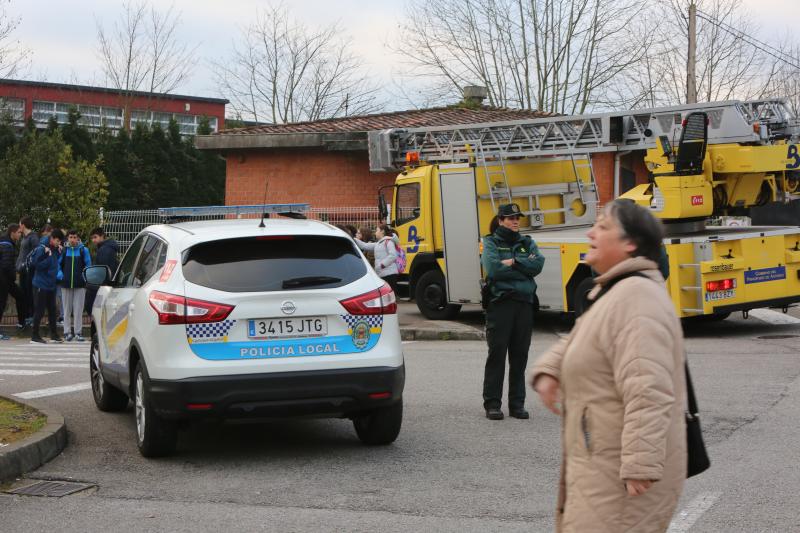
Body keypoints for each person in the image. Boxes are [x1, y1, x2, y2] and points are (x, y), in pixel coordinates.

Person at [530, 199, 686, 533]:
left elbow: (649, 386)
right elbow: (583, 338)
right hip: (600, 462)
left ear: (630, 243)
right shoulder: (617, 292)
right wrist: (550, 370)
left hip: (620, 476)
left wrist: (640, 463)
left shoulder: (637, 298)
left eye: (602, 226)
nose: (590, 232)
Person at [481, 203, 544, 420]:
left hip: (524, 304)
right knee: (497, 355)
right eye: (510, 218)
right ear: (500, 220)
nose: (515, 220)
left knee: (520, 356)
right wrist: (523, 269)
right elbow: (494, 269)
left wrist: (515, 262)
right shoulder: (490, 242)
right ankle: (492, 404)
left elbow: (538, 265)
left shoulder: (527, 242)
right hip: (501, 304)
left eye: (517, 217)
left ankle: (517, 405)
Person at [31, 228, 65, 344]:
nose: (58, 243)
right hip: (40, 284)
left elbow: (56, 263)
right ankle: (34, 335)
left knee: (52, 310)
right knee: (39, 310)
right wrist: (48, 257)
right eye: (57, 241)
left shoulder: (56, 249)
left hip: (51, 284)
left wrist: (59, 251)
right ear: (51, 238)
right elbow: (36, 265)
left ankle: (54, 335)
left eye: (60, 241)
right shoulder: (42, 249)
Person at [60, 229, 92, 342]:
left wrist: (85, 278)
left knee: (78, 310)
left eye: (75, 237)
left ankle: (78, 333)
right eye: (70, 237)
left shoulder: (84, 250)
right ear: (68, 238)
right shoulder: (64, 250)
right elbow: (58, 265)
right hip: (65, 284)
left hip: (80, 284)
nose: (73, 239)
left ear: (78, 238)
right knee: (66, 309)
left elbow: (88, 265)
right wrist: (60, 275)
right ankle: (67, 332)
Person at [354, 223, 401, 294]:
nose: (375, 233)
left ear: (382, 231)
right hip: (382, 273)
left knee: (390, 296)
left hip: (390, 275)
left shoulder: (388, 241)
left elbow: (393, 255)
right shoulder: (378, 244)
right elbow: (364, 245)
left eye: (377, 230)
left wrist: (382, 265)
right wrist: (353, 238)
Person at [85, 227, 119, 314]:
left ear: (102, 236)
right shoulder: (106, 248)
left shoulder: (105, 250)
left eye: (95, 237)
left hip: (102, 287)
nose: (93, 240)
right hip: (107, 285)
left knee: (97, 314)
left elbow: (102, 271)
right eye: (92, 238)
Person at [0, 224, 25, 339]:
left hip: (6, 279)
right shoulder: (7, 245)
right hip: (4, 279)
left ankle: (21, 323)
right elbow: (6, 265)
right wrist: (14, 276)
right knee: (1, 304)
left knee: (20, 296)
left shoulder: (6, 243)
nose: (20, 234)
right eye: (19, 232)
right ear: (12, 233)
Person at [16, 216, 39, 327]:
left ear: (23, 225)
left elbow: (36, 253)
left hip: (29, 271)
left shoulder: (33, 237)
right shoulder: (24, 238)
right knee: (24, 294)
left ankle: (31, 318)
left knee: (30, 293)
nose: (18, 226)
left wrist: (26, 265)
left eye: (19, 224)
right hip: (22, 271)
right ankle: (26, 318)